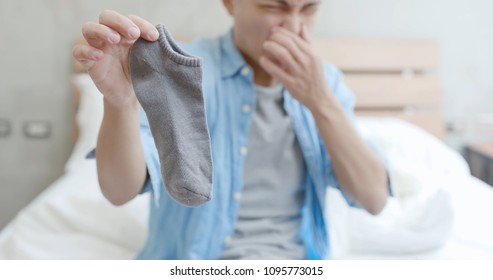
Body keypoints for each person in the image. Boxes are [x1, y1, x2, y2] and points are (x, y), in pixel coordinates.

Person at [73, 0, 392, 260]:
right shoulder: (183, 71)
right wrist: (122, 102)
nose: (294, 27)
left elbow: (374, 199)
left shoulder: (327, 83)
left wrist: (321, 101)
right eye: (274, 7)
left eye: (308, 8)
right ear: (230, 3)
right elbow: (119, 191)